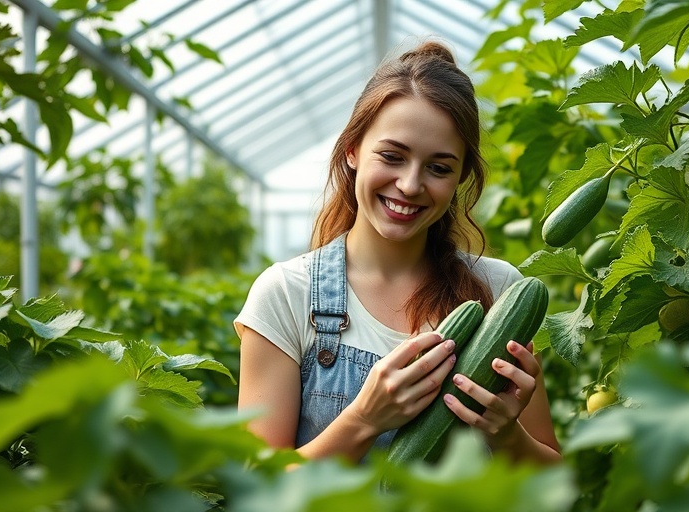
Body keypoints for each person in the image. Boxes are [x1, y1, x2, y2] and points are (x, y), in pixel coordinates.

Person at [235, 40, 561, 465]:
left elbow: (557, 483)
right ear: (352, 150)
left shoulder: (499, 292)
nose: (409, 184)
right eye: (392, 156)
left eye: (439, 167)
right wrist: (364, 420)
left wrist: (507, 436)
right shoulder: (285, 295)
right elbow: (255, 489)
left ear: (461, 176)